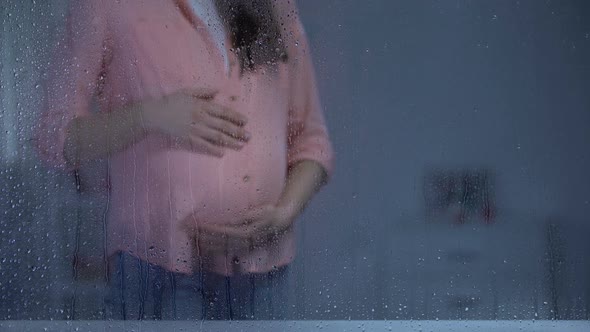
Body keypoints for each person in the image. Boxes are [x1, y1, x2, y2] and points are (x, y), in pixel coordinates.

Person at [34, 0, 333, 320]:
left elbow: (312, 141)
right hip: (155, 272)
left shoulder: (274, 6)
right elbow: (55, 138)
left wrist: (284, 212)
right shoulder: (107, 6)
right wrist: (150, 115)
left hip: (263, 270)